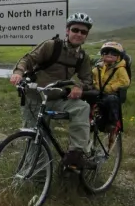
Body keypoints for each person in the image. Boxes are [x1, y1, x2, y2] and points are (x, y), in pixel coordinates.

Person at [9, 12, 96, 170]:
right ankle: (36, 180)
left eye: (83, 32)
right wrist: (18, 72)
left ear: (86, 35)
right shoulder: (51, 46)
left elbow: (88, 80)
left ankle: (75, 155)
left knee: (82, 107)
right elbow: (28, 59)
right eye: (75, 30)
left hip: (58, 98)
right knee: (37, 141)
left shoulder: (82, 57)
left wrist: (79, 87)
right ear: (67, 30)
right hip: (35, 98)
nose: (79, 34)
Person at [92, 41, 130, 147]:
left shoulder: (120, 69)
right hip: (98, 93)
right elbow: (92, 78)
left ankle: (112, 123)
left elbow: (125, 81)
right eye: (106, 53)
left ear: (119, 57)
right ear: (102, 55)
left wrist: (111, 87)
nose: (109, 55)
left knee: (111, 100)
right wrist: (95, 85)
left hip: (111, 94)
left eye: (113, 53)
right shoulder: (97, 68)